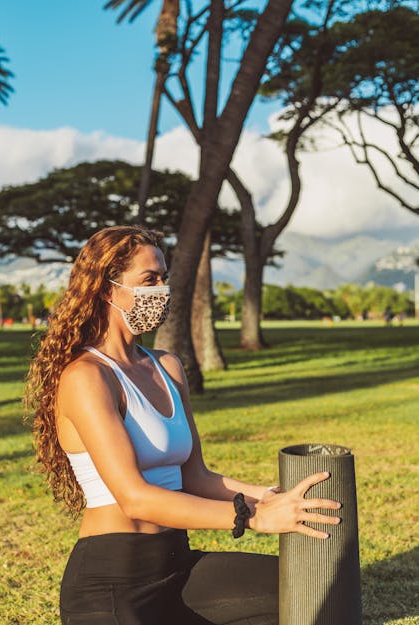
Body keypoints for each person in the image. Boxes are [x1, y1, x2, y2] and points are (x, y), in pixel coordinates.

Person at [25, 225, 341, 625]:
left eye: (164, 278)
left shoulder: (167, 366)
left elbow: (196, 476)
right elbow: (135, 498)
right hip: (112, 583)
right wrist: (253, 517)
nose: (161, 290)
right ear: (108, 290)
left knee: (313, 592)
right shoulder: (87, 377)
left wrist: (268, 496)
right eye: (149, 279)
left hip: (177, 564)